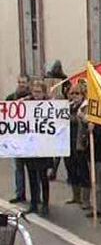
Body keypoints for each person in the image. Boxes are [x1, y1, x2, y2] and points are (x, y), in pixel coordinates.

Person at [22, 80, 53, 217]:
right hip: (31, 147)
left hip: (44, 147)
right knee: (32, 176)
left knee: (43, 177)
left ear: (44, 92)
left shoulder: (50, 105)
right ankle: (34, 203)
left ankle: (45, 204)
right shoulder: (27, 104)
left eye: (39, 92)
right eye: (34, 91)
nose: (36, 94)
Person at [7, 75, 30, 204]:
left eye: (24, 82)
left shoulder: (33, 99)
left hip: (31, 140)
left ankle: (36, 196)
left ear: (28, 84)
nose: (22, 84)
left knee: (33, 171)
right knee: (18, 168)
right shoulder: (11, 98)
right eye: (20, 82)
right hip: (17, 139)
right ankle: (20, 194)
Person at [64, 85, 86, 205]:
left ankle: (84, 198)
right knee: (71, 170)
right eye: (72, 93)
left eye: (77, 93)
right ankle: (75, 196)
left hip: (80, 144)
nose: (74, 96)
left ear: (82, 95)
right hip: (68, 144)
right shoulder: (67, 107)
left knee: (81, 171)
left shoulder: (85, 107)